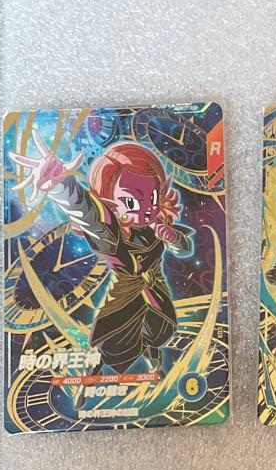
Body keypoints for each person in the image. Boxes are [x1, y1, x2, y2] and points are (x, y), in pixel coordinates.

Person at [11, 132, 190, 381]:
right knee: (108, 341)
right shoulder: (112, 235)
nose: (147, 209)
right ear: (109, 201)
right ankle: (90, 379)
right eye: (132, 202)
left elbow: (184, 249)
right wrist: (62, 185)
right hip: (125, 294)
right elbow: (91, 214)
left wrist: (173, 237)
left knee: (157, 330)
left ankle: (155, 368)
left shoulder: (157, 224)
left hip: (155, 290)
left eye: (152, 198)